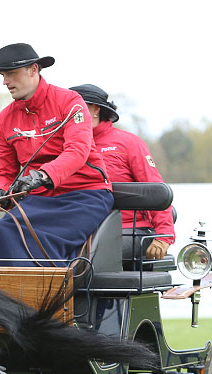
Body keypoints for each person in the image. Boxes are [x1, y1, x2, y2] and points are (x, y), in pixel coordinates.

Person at [0, 43, 113, 266]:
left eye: (11, 73)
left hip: (84, 196)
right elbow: (5, 169)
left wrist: (42, 176)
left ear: (34, 70)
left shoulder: (70, 102)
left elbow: (77, 151)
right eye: (3, 75)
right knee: (3, 229)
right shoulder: (5, 118)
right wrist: (0, 190)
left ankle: (49, 300)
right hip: (39, 199)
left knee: (38, 239)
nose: (5, 81)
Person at [70, 84, 174, 261]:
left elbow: (155, 188)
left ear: (95, 109)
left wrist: (164, 236)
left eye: (76, 108)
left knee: (84, 255)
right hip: (80, 231)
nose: (69, 114)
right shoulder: (63, 146)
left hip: (129, 230)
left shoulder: (129, 143)